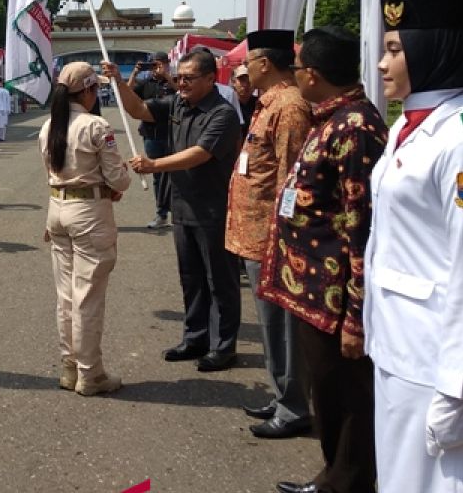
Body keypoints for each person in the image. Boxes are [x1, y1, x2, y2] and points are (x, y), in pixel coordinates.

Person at [366, 0, 463, 493]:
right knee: (400, 479)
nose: (381, 64)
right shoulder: (405, 126)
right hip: (396, 344)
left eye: (394, 50)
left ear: (434, 49)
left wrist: (457, 390)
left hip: (437, 359)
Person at [259, 27, 387, 493]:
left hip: (333, 297)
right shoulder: (332, 117)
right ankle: (333, 476)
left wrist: (356, 315)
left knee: (347, 398)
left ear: (311, 74)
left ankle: (347, 482)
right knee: (328, 395)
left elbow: (361, 225)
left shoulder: (354, 126)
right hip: (312, 288)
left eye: (297, 69)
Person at [105, 49, 243, 373]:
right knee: (191, 277)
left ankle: (224, 346)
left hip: (212, 208)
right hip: (183, 206)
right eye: (179, 77)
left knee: (219, 280)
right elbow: (139, 109)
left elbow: (200, 153)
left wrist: (153, 165)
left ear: (211, 79)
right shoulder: (178, 103)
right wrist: (118, 82)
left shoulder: (222, 114)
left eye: (189, 78)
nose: (181, 83)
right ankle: (195, 337)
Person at [225, 29, 312, 439]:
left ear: (266, 63)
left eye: (249, 60)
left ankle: (295, 405)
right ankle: (282, 394)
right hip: (253, 235)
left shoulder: (290, 107)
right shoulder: (267, 104)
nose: (243, 68)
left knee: (282, 326)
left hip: (270, 238)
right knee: (269, 325)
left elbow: (289, 180)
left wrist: (281, 238)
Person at [40, 61, 131, 396]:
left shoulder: (48, 126)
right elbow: (118, 178)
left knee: (66, 297)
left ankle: (70, 366)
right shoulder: (96, 126)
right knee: (88, 298)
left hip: (58, 208)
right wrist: (122, 176)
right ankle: (90, 373)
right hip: (89, 211)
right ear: (90, 90)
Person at [128, 52, 173, 229]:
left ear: (167, 64)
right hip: (151, 136)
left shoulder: (175, 81)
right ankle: (161, 214)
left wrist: (167, 76)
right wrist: (134, 73)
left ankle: (180, 214)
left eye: (159, 64)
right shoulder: (146, 83)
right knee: (158, 176)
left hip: (173, 134)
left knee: (178, 175)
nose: (156, 68)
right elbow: (127, 91)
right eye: (153, 65)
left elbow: (182, 93)